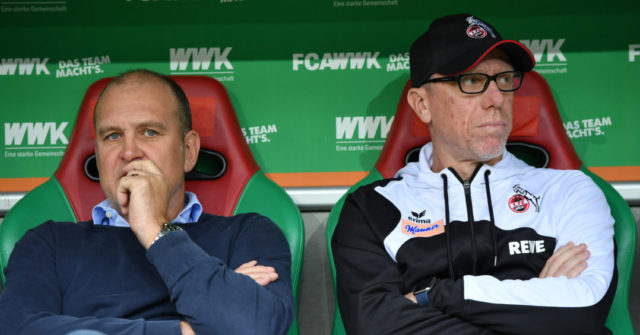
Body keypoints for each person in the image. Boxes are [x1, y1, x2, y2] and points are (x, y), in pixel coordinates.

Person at [332, 14, 616, 335]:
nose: (496, 100)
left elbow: (585, 307)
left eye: (505, 79)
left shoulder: (569, 192)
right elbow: (376, 325)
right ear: (422, 104)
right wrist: (537, 308)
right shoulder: (371, 208)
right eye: (471, 81)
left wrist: (434, 296)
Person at [0, 70, 294, 335]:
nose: (129, 152)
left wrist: (155, 229)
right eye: (112, 136)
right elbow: (17, 328)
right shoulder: (48, 243)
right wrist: (189, 330)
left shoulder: (249, 233)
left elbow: (256, 327)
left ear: (189, 151)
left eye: (149, 132)